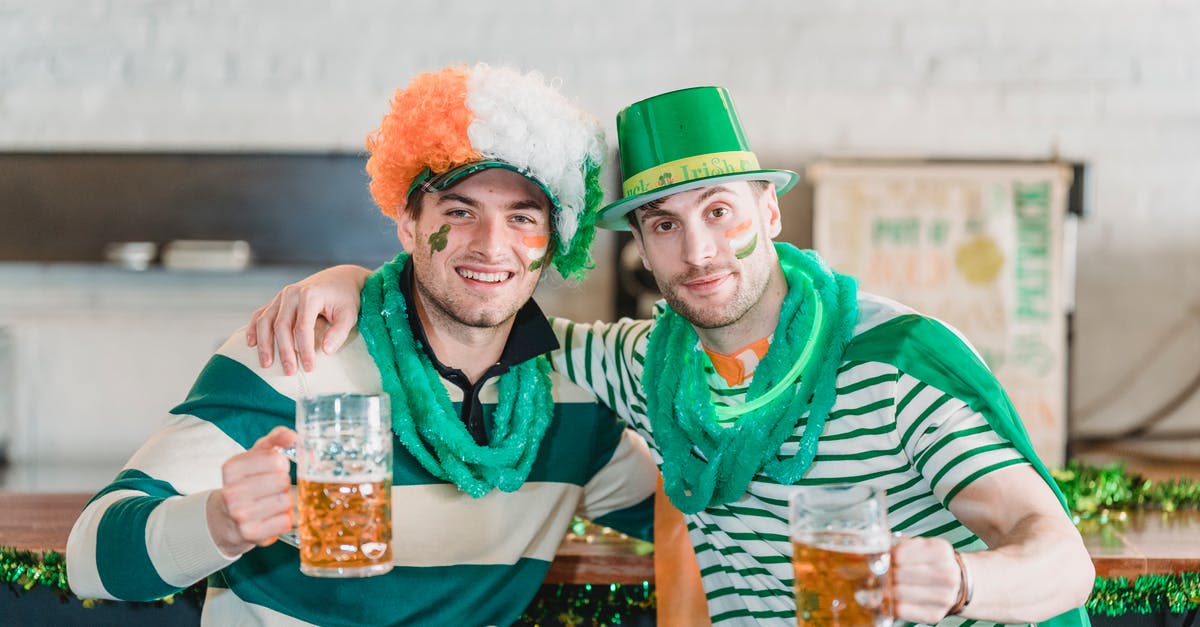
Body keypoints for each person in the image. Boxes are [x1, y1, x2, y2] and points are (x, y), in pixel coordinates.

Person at [249, 86, 1095, 626]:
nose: (699, 250)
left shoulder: (893, 359)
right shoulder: (641, 364)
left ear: (768, 212)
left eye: (719, 210)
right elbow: (480, 314)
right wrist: (358, 281)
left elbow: (1062, 558)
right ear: (638, 250)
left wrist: (958, 580)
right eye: (663, 224)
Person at [65, 64, 657, 627]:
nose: (490, 244)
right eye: (460, 210)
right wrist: (221, 523)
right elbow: (89, 557)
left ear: (554, 240)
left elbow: (696, 519)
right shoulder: (295, 352)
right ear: (409, 223)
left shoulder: (570, 397)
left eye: (523, 218)